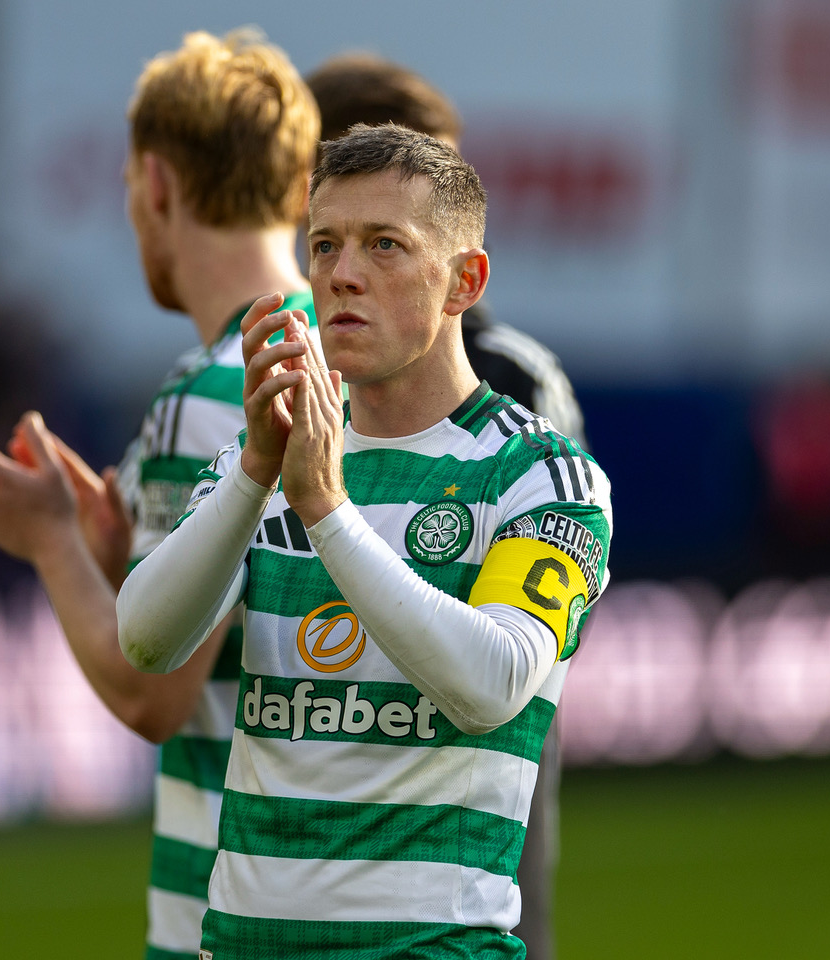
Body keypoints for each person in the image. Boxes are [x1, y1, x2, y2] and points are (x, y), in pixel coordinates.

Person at [119, 124, 613, 959]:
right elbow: (147, 640)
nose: (342, 273)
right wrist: (253, 476)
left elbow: (491, 685)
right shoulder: (262, 455)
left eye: (384, 244)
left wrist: (325, 511)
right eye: (325, 244)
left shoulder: (537, 474)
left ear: (464, 280)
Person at [0, 30, 319, 960]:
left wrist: (52, 545)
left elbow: (153, 689)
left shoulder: (211, 392)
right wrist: (123, 561)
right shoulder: (351, 362)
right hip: (350, 892)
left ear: (156, 184)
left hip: (226, 912)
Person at [305, 52, 582, 957]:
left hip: (470, 737)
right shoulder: (294, 372)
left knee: (497, 910)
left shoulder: (516, 384)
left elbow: (535, 607)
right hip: (320, 760)